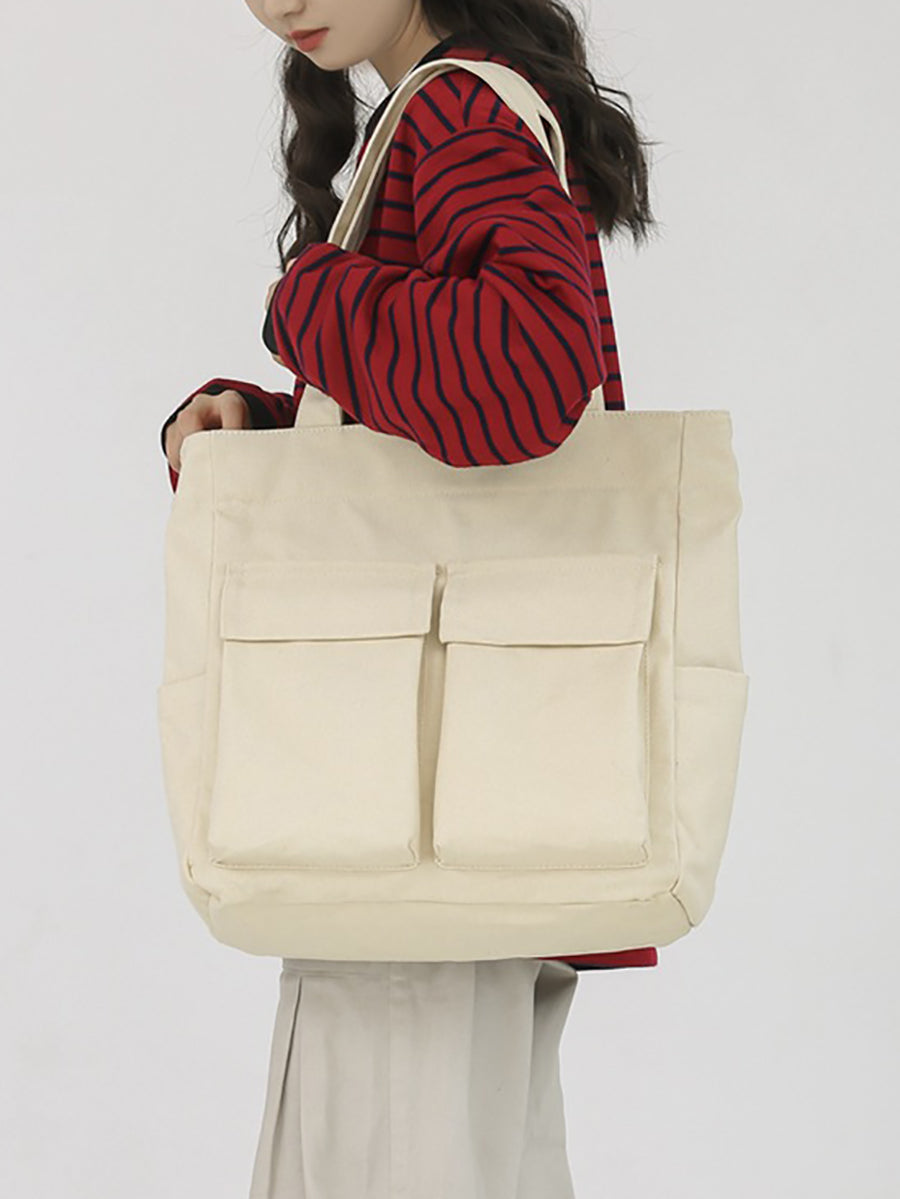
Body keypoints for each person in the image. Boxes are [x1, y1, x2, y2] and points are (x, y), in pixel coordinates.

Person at [159, 3, 660, 1195]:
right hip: (462, 785)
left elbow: (524, 376)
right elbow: (446, 438)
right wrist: (266, 421)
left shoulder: (460, 108)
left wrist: (306, 301)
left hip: (409, 808)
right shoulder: (456, 106)